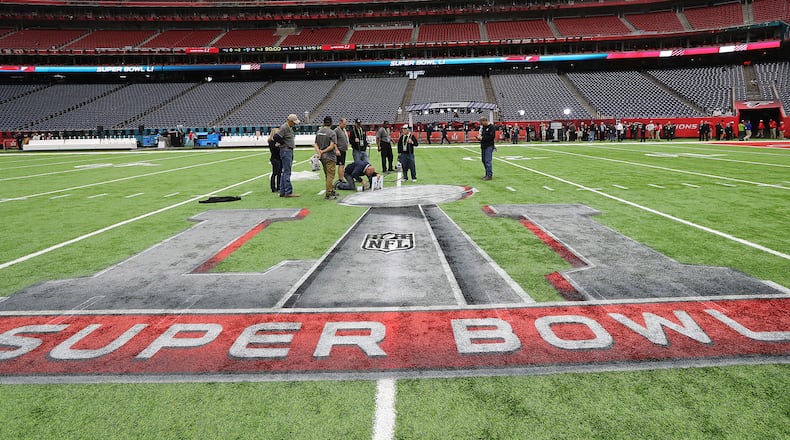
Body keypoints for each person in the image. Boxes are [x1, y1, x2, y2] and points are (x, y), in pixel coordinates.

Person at [272, 113, 300, 198]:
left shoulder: (288, 127)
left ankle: (282, 191)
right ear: (290, 121)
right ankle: (288, 191)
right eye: (294, 122)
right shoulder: (284, 127)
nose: (295, 124)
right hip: (286, 150)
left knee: (285, 172)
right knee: (287, 171)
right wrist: (284, 143)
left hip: (287, 150)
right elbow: (276, 137)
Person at [314, 116, 339, 200]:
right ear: (331, 123)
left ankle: (331, 190)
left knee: (327, 175)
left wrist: (319, 152)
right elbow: (332, 146)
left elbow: (315, 144)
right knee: (330, 175)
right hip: (330, 156)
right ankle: (329, 193)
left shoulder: (319, 132)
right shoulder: (332, 132)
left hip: (322, 157)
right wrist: (323, 151)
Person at [477, 116, 496, 181]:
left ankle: (489, 175)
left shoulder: (491, 127)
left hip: (489, 146)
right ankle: (488, 173)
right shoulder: (483, 127)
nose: (481, 124)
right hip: (483, 145)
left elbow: (491, 137)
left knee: (488, 161)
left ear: (485, 121)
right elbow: (482, 135)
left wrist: (482, 138)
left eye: (481, 122)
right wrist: (479, 138)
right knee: (483, 160)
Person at [334, 118, 349, 184]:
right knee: (340, 164)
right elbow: (334, 141)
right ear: (340, 123)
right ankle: (340, 179)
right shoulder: (336, 130)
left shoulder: (343, 130)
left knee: (342, 165)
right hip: (339, 150)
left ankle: (341, 177)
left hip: (343, 150)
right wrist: (336, 150)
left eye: (345, 124)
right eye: (344, 124)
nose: (345, 125)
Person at [267, 126, 281, 193]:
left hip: (276, 158)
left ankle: (278, 186)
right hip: (275, 158)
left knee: (278, 173)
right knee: (275, 173)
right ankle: (274, 187)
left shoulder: (272, 141)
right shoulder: (272, 142)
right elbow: (276, 149)